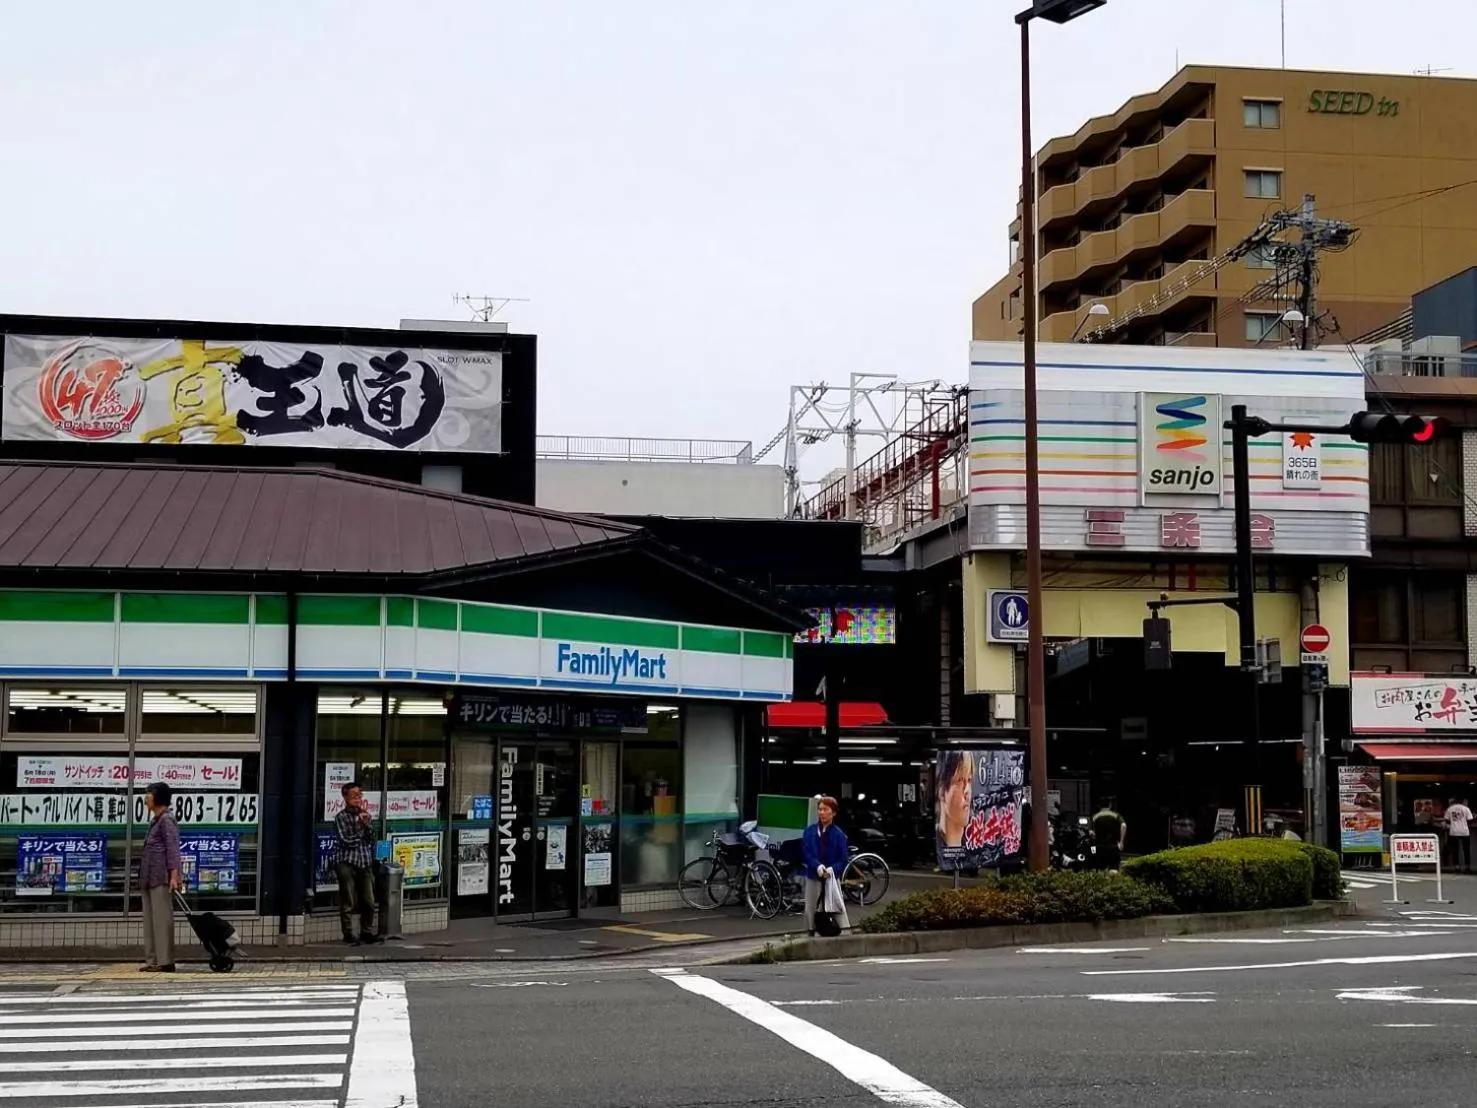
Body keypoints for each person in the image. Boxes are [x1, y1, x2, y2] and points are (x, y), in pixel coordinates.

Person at [139, 781, 182, 973]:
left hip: (161, 877)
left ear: (159, 797)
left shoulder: (166, 819)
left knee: (162, 920)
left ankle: (165, 961)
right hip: (148, 877)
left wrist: (174, 876)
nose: (146, 798)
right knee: (150, 920)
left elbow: (173, 849)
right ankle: (152, 960)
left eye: (149, 794)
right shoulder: (155, 820)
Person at [335, 782, 382, 945]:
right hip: (346, 862)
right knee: (348, 901)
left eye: (359, 795)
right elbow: (346, 840)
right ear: (345, 797)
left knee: (369, 901)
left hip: (365, 862)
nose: (358, 798)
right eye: (354, 795)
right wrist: (360, 828)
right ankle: (348, 934)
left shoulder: (365, 815)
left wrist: (365, 824)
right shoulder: (341, 817)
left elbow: (371, 837)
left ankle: (366, 931)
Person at [802, 796, 849, 937]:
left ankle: (845, 933)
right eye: (820, 809)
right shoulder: (809, 831)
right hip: (813, 875)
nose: (822, 812)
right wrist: (817, 866)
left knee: (836, 907)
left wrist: (832, 869)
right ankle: (810, 932)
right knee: (810, 908)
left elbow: (843, 859)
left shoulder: (839, 835)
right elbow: (806, 853)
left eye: (825, 809)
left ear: (833, 813)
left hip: (831, 877)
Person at [935, 751, 975, 852]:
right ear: (942, 792)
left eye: (969, 780)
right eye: (959, 780)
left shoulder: (972, 847)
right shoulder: (936, 844)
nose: (967, 791)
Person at [1091, 798, 1127, 872]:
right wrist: (1121, 842)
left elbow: (1091, 833)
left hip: (1099, 847)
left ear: (1100, 806)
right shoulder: (1115, 815)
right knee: (1113, 869)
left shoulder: (1095, 816)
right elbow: (1123, 825)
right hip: (1113, 846)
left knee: (1101, 869)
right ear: (1110, 805)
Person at [1446, 797, 1472, 873]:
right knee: (1466, 850)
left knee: (1455, 850)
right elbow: (1470, 820)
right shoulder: (1466, 808)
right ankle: (1467, 867)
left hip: (1454, 832)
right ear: (1462, 801)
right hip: (1465, 832)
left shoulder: (1450, 809)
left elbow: (1446, 820)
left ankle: (1457, 867)